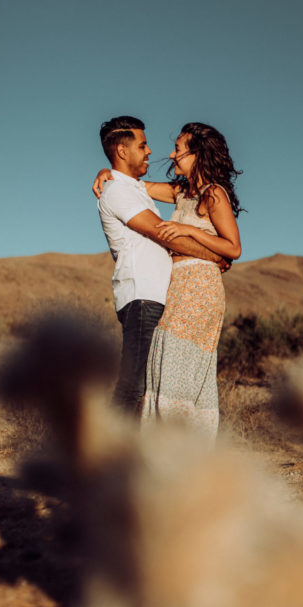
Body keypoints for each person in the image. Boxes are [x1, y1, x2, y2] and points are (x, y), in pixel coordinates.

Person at [95, 116, 227, 414]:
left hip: (159, 296)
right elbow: (161, 232)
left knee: (149, 386)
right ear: (123, 151)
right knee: (135, 385)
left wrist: (107, 170)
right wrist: (216, 256)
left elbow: (171, 191)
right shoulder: (118, 192)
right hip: (142, 296)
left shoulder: (133, 188)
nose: (152, 151)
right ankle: (108, 456)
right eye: (142, 145)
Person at [141, 122, 242, 437]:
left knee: (177, 361)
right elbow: (137, 186)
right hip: (178, 284)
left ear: (199, 154)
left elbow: (234, 248)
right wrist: (108, 174)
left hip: (200, 287)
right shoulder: (181, 192)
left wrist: (191, 230)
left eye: (179, 149)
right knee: (164, 359)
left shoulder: (214, 194)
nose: (171, 154)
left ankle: (180, 448)